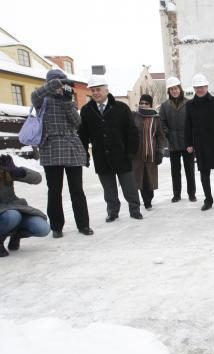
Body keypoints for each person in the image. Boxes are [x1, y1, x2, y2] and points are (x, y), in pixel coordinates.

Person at [31, 69, 93, 238]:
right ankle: (57, 227)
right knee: (54, 190)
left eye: (63, 83)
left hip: (72, 148)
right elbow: (34, 94)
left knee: (77, 190)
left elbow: (77, 122)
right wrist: (56, 83)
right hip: (51, 148)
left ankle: (83, 225)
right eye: (59, 83)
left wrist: (67, 101)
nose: (61, 86)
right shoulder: (42, 100)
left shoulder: (68, 100)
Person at [78, 75, 143, 222]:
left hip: (122, 155)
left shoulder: (121, 108)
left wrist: (131, 152)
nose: (95, 93)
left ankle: (135, 209)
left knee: (129, 186)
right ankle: (113, 211)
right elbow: (83, 135)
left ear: (106, 90)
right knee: (108, 189)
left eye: (98, 89)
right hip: (101, 156)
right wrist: (84, 155)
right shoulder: (87, 111)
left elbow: (132, 132)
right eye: (93, 90)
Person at [184, 73, 214, 211]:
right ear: (194, 88)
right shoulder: (190, 105)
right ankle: (208, 200)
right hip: (200, 145)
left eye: (203, 86)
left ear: (207, 86)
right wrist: (189, 144)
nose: (200, 89)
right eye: (198, 87)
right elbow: (188, 126)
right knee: (204, 175)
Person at [0, 155, 50, 257]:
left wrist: (18, 171)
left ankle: (16, 234)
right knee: (13, 216)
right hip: (8, 214)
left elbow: (37, 178)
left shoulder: (3, 167)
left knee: (42, 228)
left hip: (15, 207)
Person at [159, 77, 196, 203]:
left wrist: (191, 139)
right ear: (169, 91)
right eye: (172, 89)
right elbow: (162, 122)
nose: (174, 91)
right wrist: (167, 133)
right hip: (173, 142)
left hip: (187, 143)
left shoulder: (189, 103)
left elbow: (193, 123)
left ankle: (192, 193)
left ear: (180, 89)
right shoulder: (164, 106)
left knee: (189, 170)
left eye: (176, 88)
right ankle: (176, 194)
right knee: (175, 171)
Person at [132, 95, 166, 209]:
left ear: (150, 105)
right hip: (137, 153)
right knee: (141, 178)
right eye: (142, 103)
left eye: (146, 103)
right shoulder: (134, 116)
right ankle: (146, 201)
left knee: (150, 178)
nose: (144, 105)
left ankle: (149, 197)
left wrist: (160, 152)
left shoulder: (156, 118)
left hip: (152, 153)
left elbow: (160, 136)